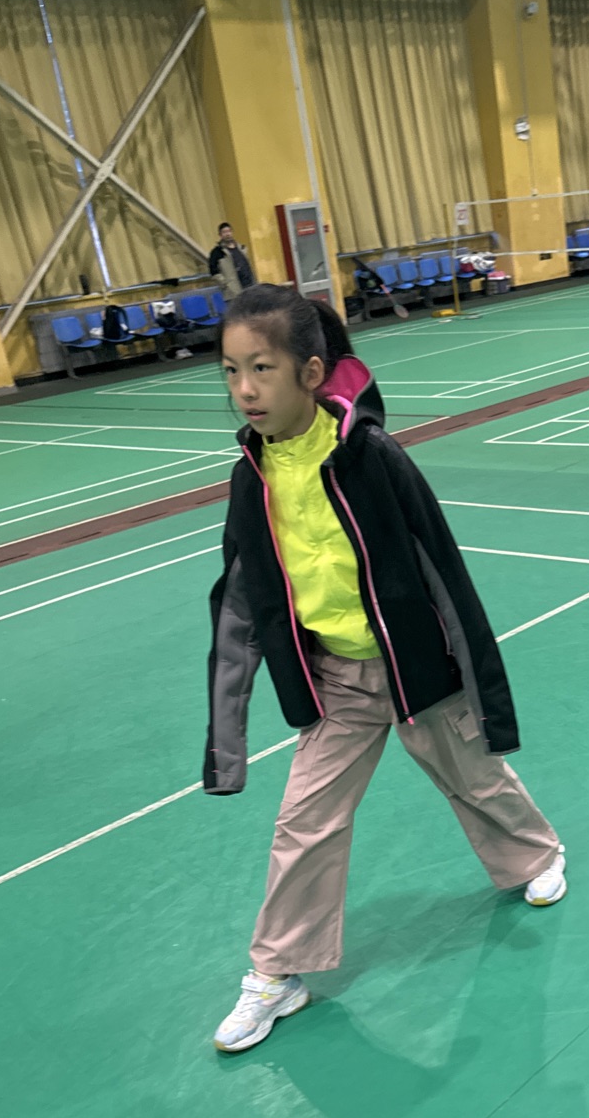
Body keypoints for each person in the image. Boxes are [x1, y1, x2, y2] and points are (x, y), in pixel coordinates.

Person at [204, 284, 565, 1053]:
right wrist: (229, 723)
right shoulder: (251, 476)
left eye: (261, 368)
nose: (244, 390)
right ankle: (276, 973)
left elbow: (441, 567)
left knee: (475, 779)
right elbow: (241, 595)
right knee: (303, 825)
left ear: (310, 373)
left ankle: (536, 854)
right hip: (335, 682)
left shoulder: (371, 458)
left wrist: (477, 676)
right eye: (230, 371)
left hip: (414, 668)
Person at [208, 223, 256, 301]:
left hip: (250, 287)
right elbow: (213, 272)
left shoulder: (241, 248)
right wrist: (226, 284)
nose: (228, 234)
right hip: (233, 292)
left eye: (229, 231)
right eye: (224, 232)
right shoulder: (217, 252)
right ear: (220, 235)